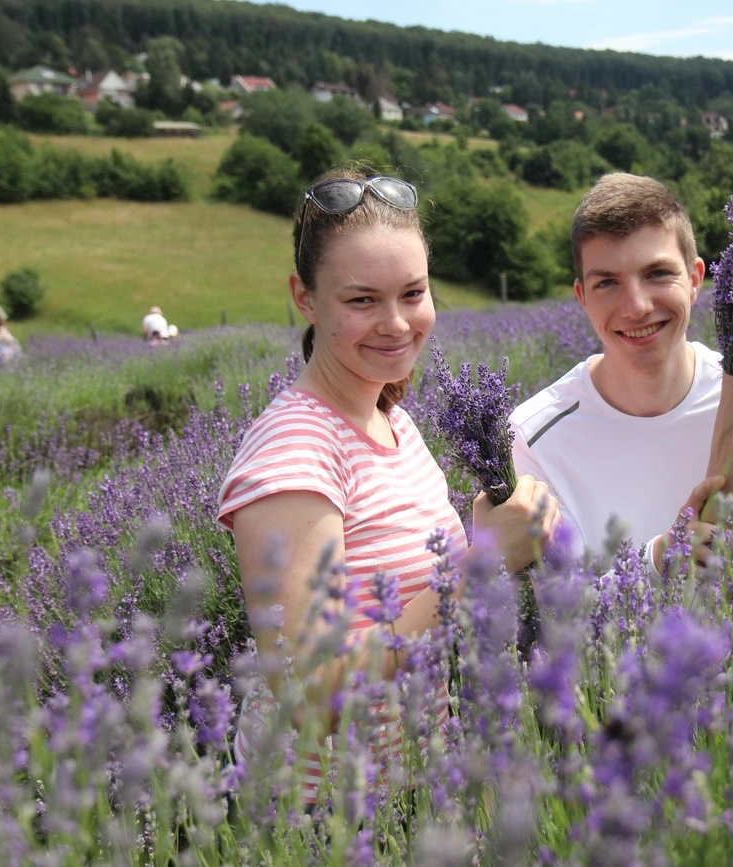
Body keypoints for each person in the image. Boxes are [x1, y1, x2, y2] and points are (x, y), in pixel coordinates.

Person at [217, 169, 560, 801]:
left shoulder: (392, 421)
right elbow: (310, 694)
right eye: (362, 300)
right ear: (304, 297)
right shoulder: (295, 453)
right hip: (316, 822)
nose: (397, 323)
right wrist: (481, 563)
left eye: (412, 292)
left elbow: (421, 608)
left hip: (411, 791)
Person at [509, 173, 724, 575]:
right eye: (607, 282)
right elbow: (559, 620)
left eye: (657, 273)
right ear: (582, 298)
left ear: (695, 280)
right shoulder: (534, 438)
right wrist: (658, 560)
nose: (636, 306)